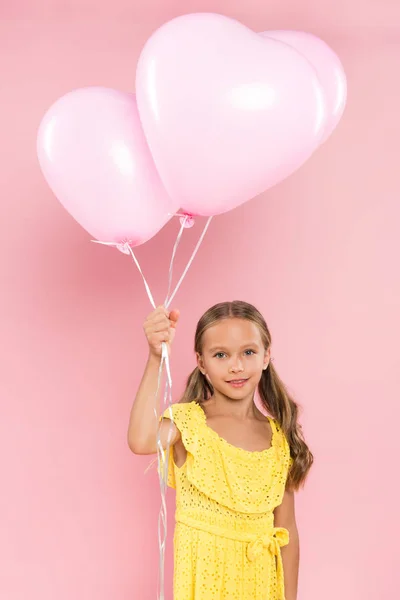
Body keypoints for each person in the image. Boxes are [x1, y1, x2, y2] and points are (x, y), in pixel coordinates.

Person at [128, 300, 313, 600]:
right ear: (201, 363)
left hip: (261, 588)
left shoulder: (279, 439)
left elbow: (287, 533)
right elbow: (140, 439)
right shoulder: (188, 423)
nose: (236, 365)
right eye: (221, 355)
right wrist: (155, 357)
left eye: (248, 352)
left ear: (266, 356)